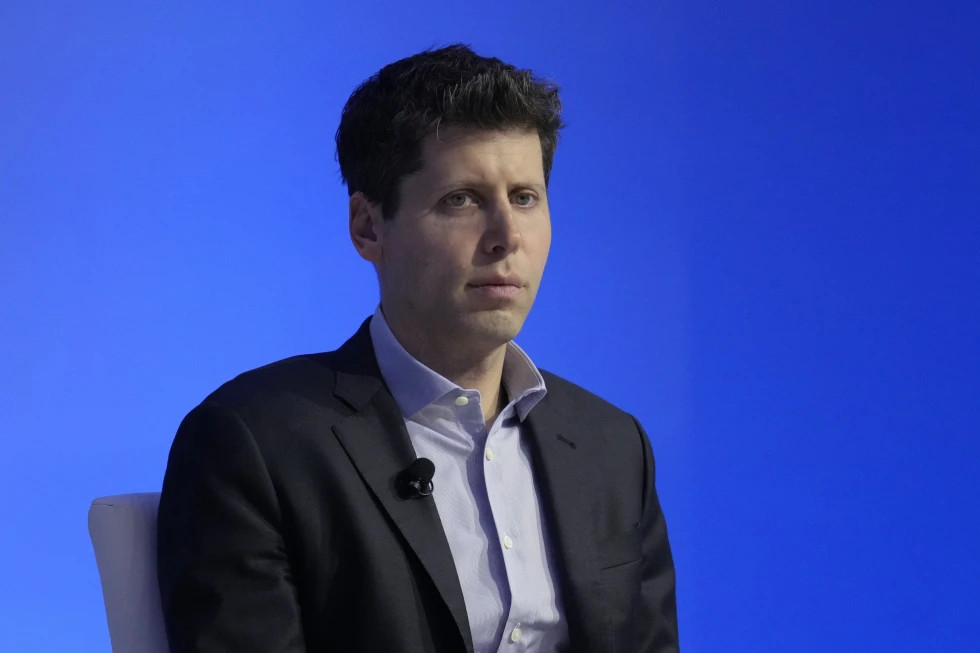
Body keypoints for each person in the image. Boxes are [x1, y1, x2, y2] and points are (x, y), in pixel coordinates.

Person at [156, 44, 679, 653]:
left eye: (525, 198)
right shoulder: (252, 442)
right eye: (462, 199)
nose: (507, 237)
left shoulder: (613, 447)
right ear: (368, 227)